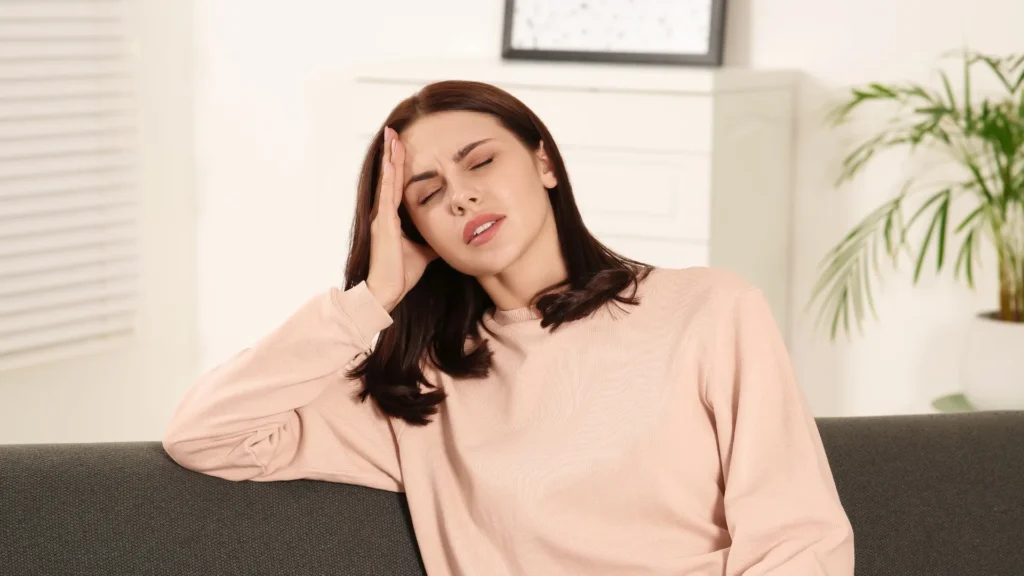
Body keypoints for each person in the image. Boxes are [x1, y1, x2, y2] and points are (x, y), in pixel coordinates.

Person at [162, 80, 854, 575]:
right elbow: (206, 434)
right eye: (427, 194)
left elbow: (798, 539)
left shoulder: (710, 310)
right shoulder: (419, 393)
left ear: (545, 162)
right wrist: (370, 299)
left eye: (480, 161)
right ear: (415, 230)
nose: (459, 194)